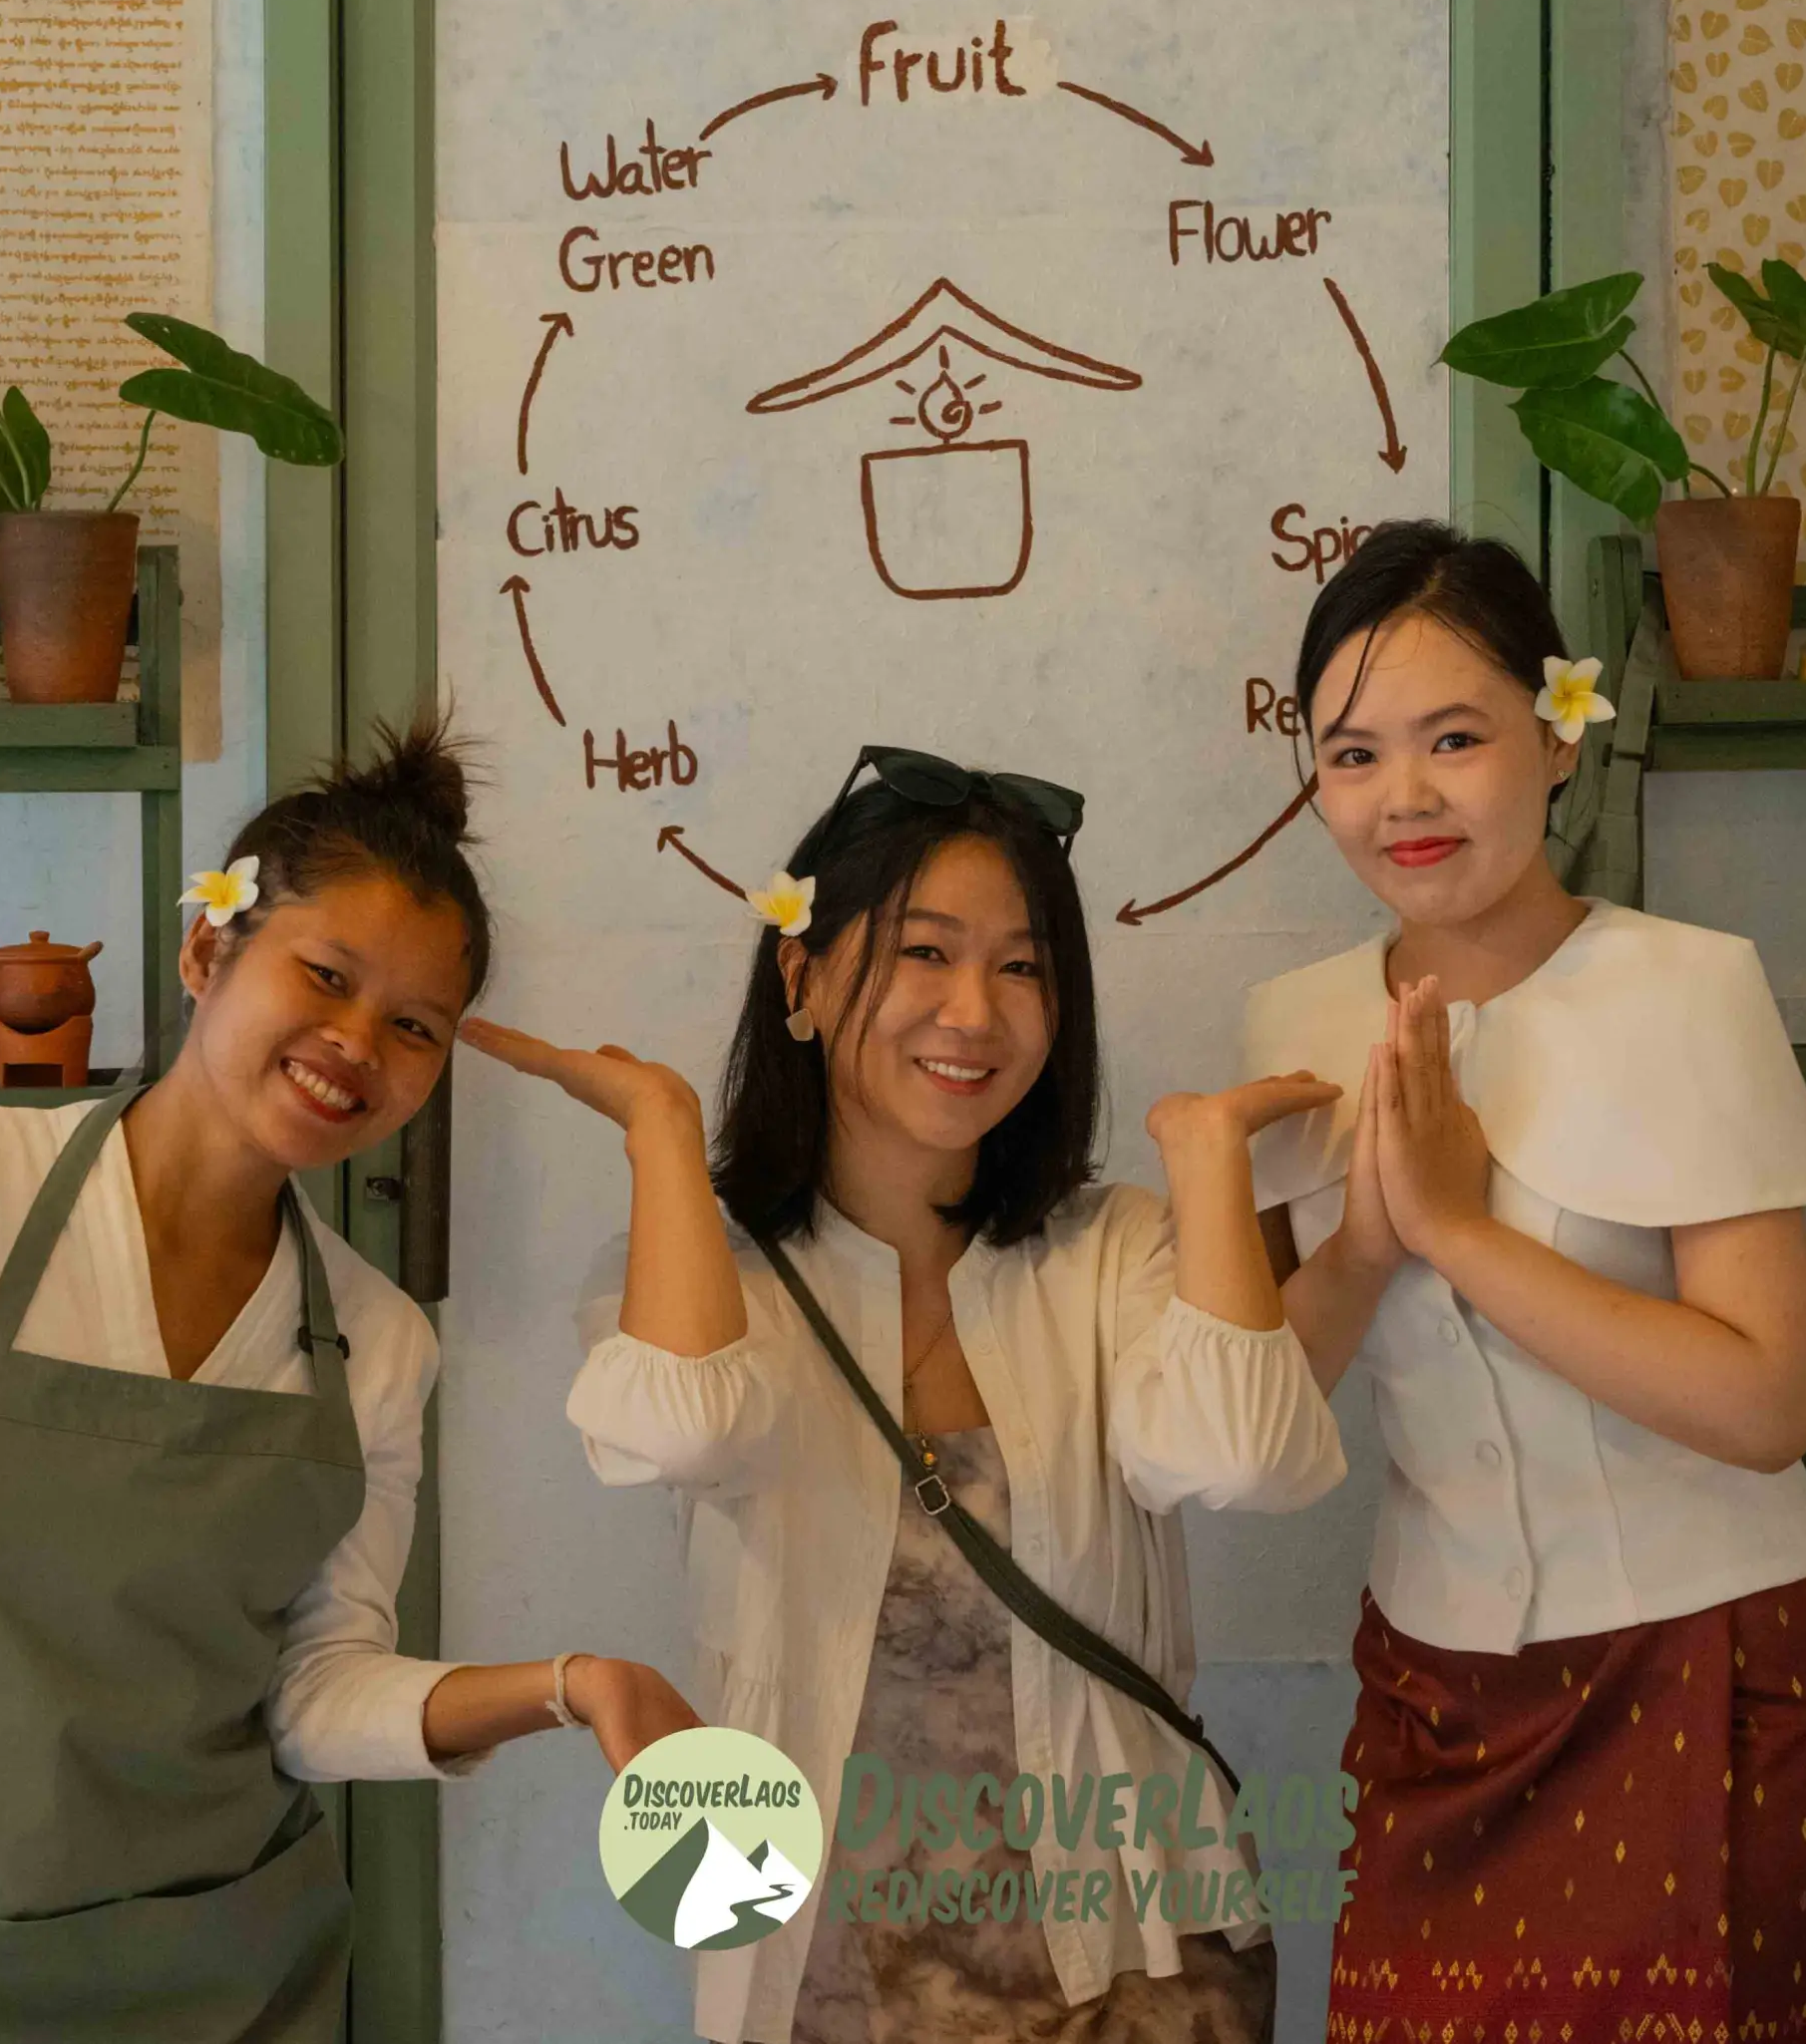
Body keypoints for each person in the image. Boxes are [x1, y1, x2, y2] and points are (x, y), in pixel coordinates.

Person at [0, 717, 697, 2041]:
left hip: (229, 1960)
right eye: (325, 976)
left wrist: (569, 1684)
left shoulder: (375, 1338)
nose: (358, 1043)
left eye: (413, 1026)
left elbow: (314, 1694)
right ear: (207, 952)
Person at [470, 746, 1348, 2044]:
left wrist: (1209, 1157)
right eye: (924, 952)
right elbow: (679, 1422)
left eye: (1022, 968)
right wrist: (661, 1131)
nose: (973, 1012)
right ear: (801, 978)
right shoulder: (701, 1274)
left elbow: (1245, 1457)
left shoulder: (1111, 1250)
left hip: (1134, 1956)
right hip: (824, 1967)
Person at [1239, 522, 1806, 2042]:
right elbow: (1262, 1403)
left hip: (1703, 1656)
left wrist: (1463, 1234)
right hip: (1433, 1680)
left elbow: (1768, 1404)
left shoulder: (1686, 989)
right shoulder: (1291, 1027)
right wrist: (1365, 1244)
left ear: (1558, 735)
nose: (1404, 797)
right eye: (1353, 755)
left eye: (1454, 738)